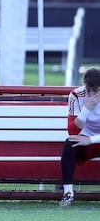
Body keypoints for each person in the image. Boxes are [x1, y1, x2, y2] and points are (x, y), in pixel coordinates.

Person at [59, 67, 100, 206]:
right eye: (90, 90)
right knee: (70, 143)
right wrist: (86, 110)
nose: (93, 94)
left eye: (97, 90)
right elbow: (72, 130)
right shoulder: (76, 95)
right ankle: (68, 194)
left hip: (93, 140)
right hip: (83, 141)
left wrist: (90, 140)